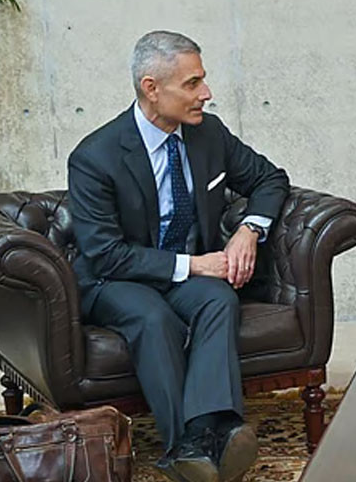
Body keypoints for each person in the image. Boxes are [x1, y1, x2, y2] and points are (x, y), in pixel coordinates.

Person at [68, 31, 290, 482]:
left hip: (184, 276)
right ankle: (183, 443)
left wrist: (249, 230)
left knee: (218, 299)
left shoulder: (208, 134)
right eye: (192, 83)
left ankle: (206, 433)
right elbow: (106, 254)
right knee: (152, 317)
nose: (206, 93)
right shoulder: (95, 157)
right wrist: (196, 265)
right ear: (151, 88)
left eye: (203, 80)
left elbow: (270, 179)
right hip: (114, 280)